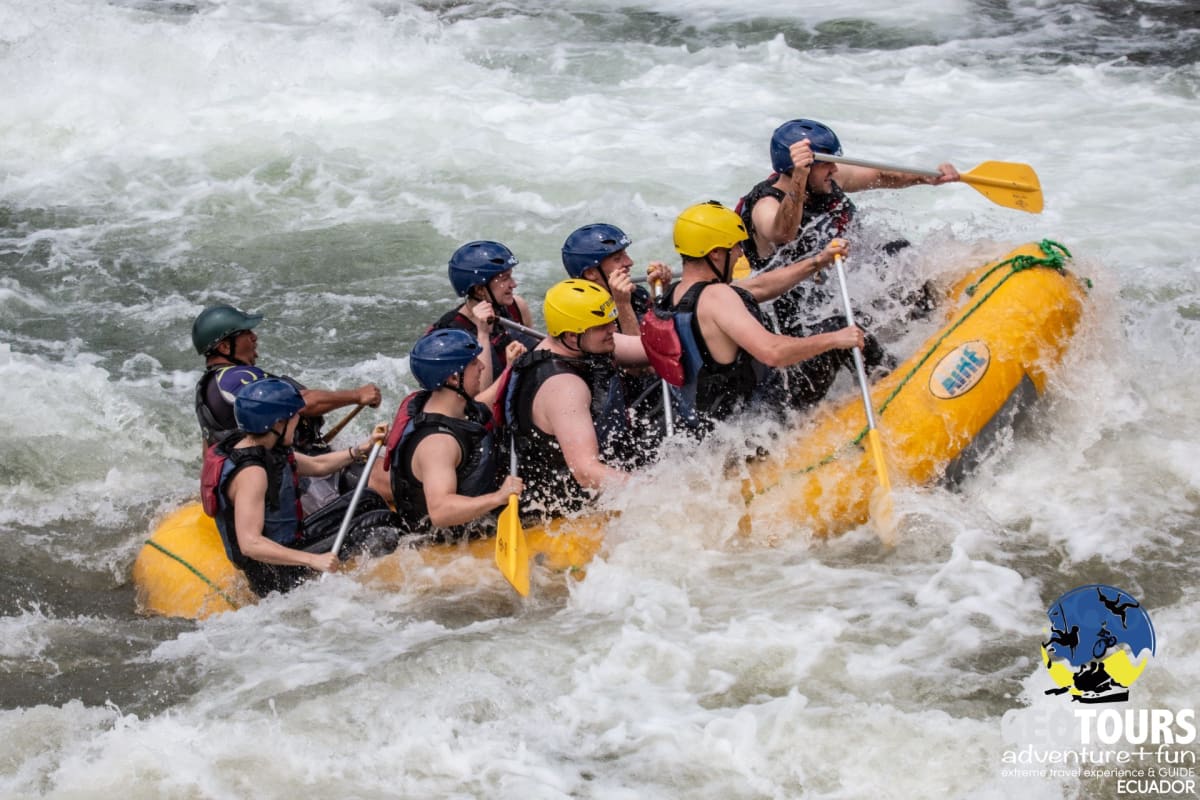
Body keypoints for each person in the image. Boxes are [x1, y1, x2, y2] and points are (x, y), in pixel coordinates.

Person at [658, 201, 864, 433]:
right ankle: (890, 383)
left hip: (719, 425)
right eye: (734, 247)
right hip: (761, 419)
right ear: (715, 253)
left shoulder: (674, 295)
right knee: (838, 325)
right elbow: (773, 352)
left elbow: (759, 287)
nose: (739, 254)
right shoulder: (717, 297)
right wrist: (836, 339)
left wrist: (819, 261)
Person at [210, 378, 394, 597]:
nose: (299, 422)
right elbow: (250, 544)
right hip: (274, 572)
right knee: (379, 520)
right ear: (278, 423)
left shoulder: (267, 447)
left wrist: (362, 448)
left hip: (293, 541)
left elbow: (318, 465)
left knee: (368, 499)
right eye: (295, 417)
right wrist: (314, 560)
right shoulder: (252, 473)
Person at [191, 304, 383, 511]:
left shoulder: (207, 388)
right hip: (296, 475)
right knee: (389, 479)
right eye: (245, 333)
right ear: (224, 347)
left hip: (272, 468)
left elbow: (210, 447)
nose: (254, 337)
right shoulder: (236, 378)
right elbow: (304, 402)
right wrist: (358, 395)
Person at [738, 118, 961, 272]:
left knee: (898, 251)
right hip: (800, 305)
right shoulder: (765, 204)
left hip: (845, 276)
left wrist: (926, 177)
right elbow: (782, 233)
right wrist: (800, 176)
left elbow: (881, 175)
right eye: (826, 165)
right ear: (799, 168)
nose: (834, 169)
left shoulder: (825, 180)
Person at [505, 279, 650, 516]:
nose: (613, 328)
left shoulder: (575, 345)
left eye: (612, 321)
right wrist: (655, 491)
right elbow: (585, 472)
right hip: (564, 511)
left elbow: (649, 351)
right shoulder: (564, 388)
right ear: (572, 336)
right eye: (603, 326)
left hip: (596, 487)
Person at [368, 329, 523, 539]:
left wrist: (510, 367)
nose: (482, 366)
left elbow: (483, 404)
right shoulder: (438, 443)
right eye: (473, 363)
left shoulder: (447, 405)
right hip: (444, 545)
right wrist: (499, 497)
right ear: (452, 378)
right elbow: (440, 511)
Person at [429, 240, 538, 392]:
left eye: (511, 276)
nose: (514, 284)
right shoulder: (450, 335)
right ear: (480, 289)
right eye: (505, 279)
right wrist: (483, 333)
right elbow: (478, 398)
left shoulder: (517, 307)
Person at [561, 223, 671, 336]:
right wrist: (622, 305)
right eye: (617, 259)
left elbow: (660, 337)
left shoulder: (636, 294)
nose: (630, 262)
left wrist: (659, 292)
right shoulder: (584, 315)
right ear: (590, 273)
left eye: (625, 254)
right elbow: (637, 352)